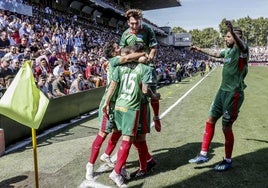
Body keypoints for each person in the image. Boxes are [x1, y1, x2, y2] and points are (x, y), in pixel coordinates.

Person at [188, 20, 249, 171]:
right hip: (222, 92)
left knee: (226, 127)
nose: (225, 39)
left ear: (236, 37)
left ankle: (228, 161)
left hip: (234, 94)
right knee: (210, 120)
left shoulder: (242, 51)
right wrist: (198, 49)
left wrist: (233, 32)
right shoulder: (227, 52)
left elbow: (241, 45)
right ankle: (203, 154)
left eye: (228, 36)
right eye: (226, 36)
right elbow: (215, 53)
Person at [85, 41, 149, 181]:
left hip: (119, 103)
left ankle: (111, 159)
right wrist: (144, 53)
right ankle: (90, 165)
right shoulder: (115, 61)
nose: (119, 48)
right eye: (116, 47)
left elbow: (133, 59)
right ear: (113, 53)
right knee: (103, 133)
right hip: (108, 102)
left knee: (118, 132)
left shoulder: (117, 63)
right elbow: (129, 58)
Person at [102, 50, 160, 187]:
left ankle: (140, 165)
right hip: (133, 107)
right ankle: (118, 171)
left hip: (119, 106)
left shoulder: (119, 67)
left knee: (133, 138)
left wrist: (107, 102)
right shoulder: (146, 69)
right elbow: (147, 90)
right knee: (130, 139)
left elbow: (112, 86)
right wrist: (155, 96)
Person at [120, 9, 162, 132]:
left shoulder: (147, 30)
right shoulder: (125, 34)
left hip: (147, 66)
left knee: (152, 93)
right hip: (132, 67)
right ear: (128, 22)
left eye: (136, 23)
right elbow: (122, 52)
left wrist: (149, 58)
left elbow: (153, 48)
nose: (134, 26)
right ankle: (134, 122)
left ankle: (156, 116)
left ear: (140, 21)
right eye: (132, 23)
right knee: (136, 97)